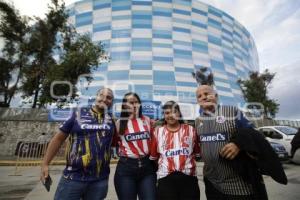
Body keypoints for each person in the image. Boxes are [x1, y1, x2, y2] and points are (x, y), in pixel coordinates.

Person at [195, 84, 287, 200]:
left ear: (216, 96)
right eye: (200, 96)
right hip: (212, 183)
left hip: (239, 184)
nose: (204, 97)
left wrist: (238, 144)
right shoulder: (198, 121)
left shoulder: (232, 111)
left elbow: (252, 134)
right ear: (198, 101)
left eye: (207, 93)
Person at [40, 88, 115, 200]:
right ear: (96, 97)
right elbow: (58, 139)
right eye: (101, 95)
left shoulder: (112, 121)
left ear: (112, 102)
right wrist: (45, 164)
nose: (104, 99)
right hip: (72, 178)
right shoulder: (77, 115)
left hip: (99, 181)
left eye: (109, 97)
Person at [150, 101, 200, 200]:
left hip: (189, 178)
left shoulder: (191, 130)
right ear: (164, 115)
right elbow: (154, 157)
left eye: (174, 112)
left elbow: (196, 153)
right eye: (167, 113)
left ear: (179, 113)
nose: (170, 115)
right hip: (165, 179)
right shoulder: (158, 132)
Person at [113, 92, 157, 200]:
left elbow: (154, 141)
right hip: (126, 168)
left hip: (147, 168)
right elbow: (113, 142)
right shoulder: (119, 123)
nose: (134, 105)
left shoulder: (147, 120)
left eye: (136, 102)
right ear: (124, 106)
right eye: (130, 102)